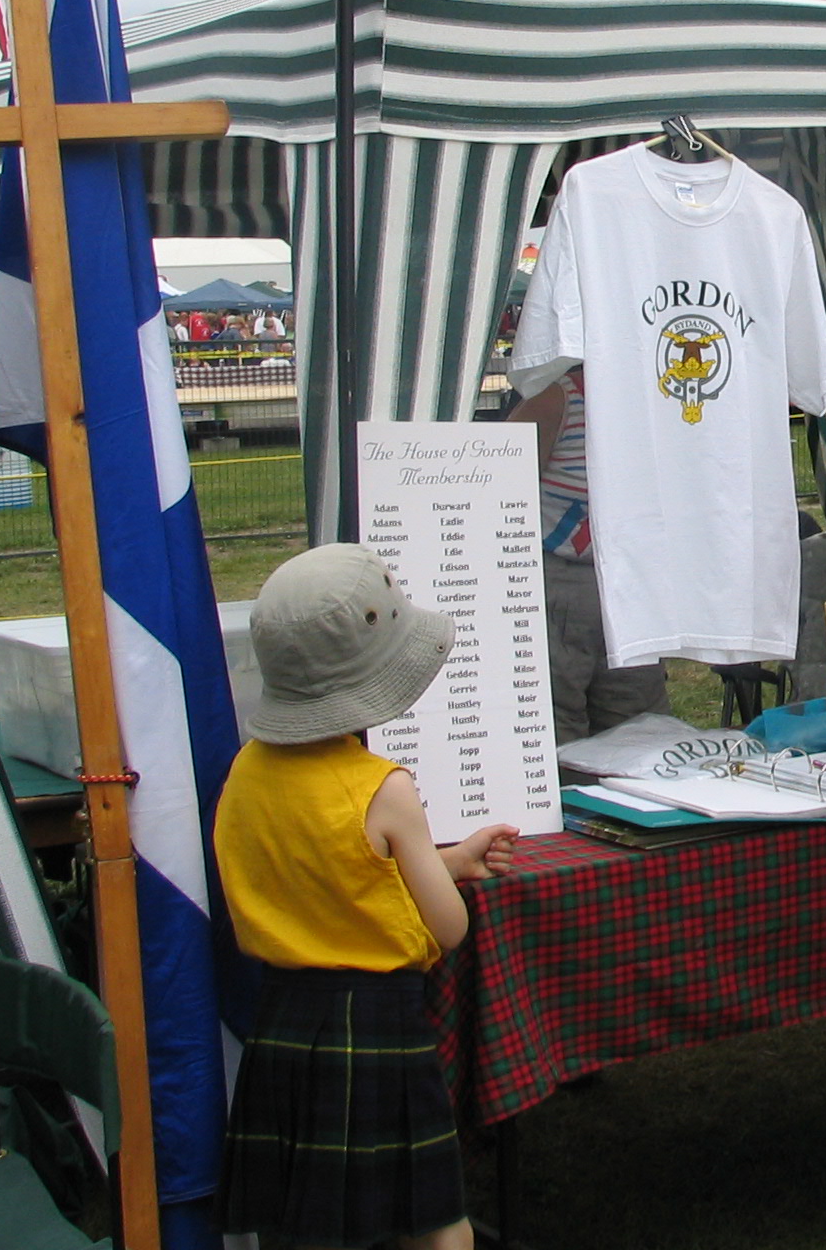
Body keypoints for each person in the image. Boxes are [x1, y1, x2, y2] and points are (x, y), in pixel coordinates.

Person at [214, 543, 518, 1250]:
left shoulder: (246, 772)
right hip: (374, 1021)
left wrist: (449, 860)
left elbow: (332, 875)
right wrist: (443, 875)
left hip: (284, 1016)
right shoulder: (383, 788)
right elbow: (447, 926)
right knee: (435, 1221)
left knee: (306, 1216)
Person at [517, 366, 671, 739]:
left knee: (637, 718)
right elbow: (505, 483)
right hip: (563, 576)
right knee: (555, 713)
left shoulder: (661, 397)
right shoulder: (558, 397)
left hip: (633, 575)